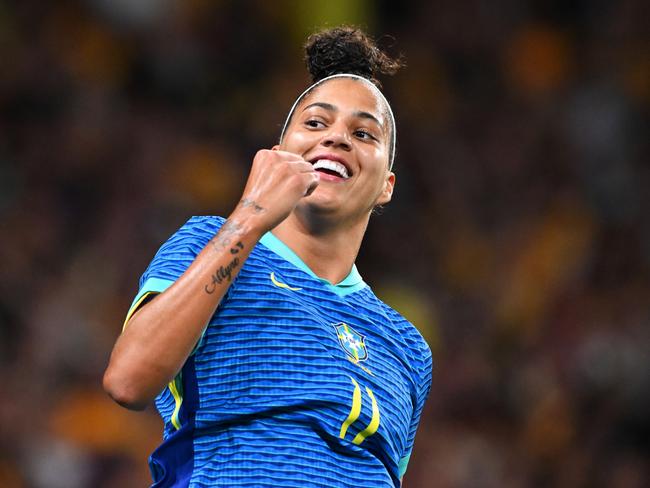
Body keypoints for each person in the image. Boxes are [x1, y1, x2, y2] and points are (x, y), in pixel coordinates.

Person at [103, 26, 432, 488]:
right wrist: (251, 217)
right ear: (279, 154)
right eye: (316, 123)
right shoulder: (210, 243)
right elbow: (128, 381)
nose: (336, 138)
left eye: (362, 132)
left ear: (387, 186)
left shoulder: (409, 348)